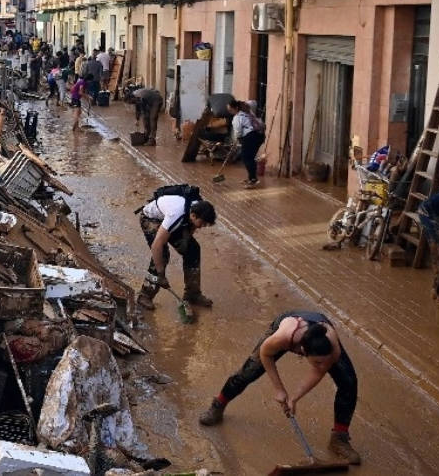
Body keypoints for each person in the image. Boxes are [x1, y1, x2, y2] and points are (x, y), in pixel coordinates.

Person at [197, 310, 362, 465]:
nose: (322, 365)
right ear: (303, 352)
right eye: (317, 361)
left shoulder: (332, 347)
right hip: (288, 323)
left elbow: (318, 372)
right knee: (248, 372)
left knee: (349, 382)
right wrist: (279, 389)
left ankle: (339, 438)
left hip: (317, 330)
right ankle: (217, 405)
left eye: (324, 361)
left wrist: (294, 398)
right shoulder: (283, 337)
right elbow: (266, 354)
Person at [135, 186, 216, 310]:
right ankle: (145, 295)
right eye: (202, 223)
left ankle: (192, 294)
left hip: (172, 220)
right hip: (152, 219)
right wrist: (161, 274)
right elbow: (156, 245)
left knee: (193, 249)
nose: (202, 227)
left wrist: (185, 242)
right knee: (162, 255)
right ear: (194, 216)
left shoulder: (198, 206)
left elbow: (192, 226)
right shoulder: (176, 214)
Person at [228, 99, 266, 188]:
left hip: (251, 137)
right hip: (259, 136)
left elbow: (238, 132)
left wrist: (239, 138)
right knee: (250, 157)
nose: (229, 111)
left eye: (230, 109)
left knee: (246, 158)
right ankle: (251, 177)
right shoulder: (248, 112)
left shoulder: (237, 117)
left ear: (236, 108)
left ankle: (253, 179)